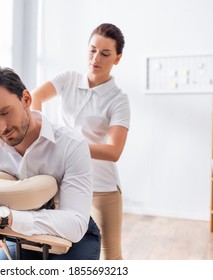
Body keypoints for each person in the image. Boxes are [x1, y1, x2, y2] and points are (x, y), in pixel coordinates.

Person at [0, 67, 100, 260]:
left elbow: (75, 224)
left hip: (71, 238)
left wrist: (1, 216)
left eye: (5, 113)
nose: (1, 128)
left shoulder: (72, 145)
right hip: (17, 235)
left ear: (27, 99)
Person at [31, 23, 130, 260]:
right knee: (58, 246)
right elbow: (34, 97)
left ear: (117, 58)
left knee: (111, 255)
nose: (96, 58)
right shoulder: (68, 79)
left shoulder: (119, 100)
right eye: (92, 50)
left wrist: (69, 145)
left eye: (105, 54)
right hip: (63, 181)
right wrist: (41, 127)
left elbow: (114, 151)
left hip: (101, 187)